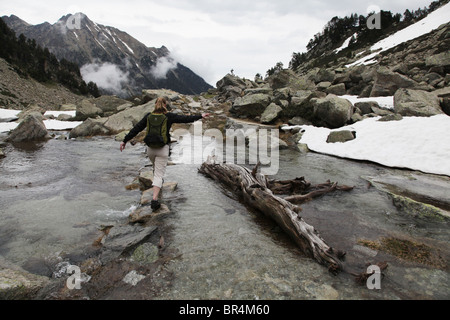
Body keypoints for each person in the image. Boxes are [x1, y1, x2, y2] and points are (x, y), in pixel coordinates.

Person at [120, 97, 209, 210]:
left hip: (150, 149)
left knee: (155, 169)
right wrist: (200, 116)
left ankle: (157, 184)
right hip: (163, 148)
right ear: (165, 106)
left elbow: (136, 129)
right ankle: (155, 199)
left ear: (155, 105)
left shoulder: (148, 116)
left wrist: (124, 140)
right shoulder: (169, 116)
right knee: (158, 174)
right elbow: (185, 119)